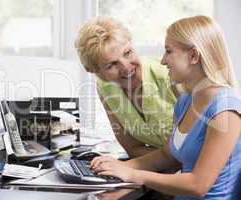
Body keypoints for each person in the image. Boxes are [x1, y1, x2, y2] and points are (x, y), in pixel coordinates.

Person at [90, 15, 241, 199]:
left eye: (168, 51)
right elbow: (167, 155)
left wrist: (133, 175)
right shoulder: (186, 101)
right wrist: (118, 166)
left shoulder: (225, 110)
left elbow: (198, 185)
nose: (162, 60)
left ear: (193, 56)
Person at [75, 17, 178, 158]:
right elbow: (133, 148)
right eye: (111, 65)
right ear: (93, 70)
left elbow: (197, 150)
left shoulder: (170, 75)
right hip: (162, 172)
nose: (126, 67)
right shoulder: (105, 87)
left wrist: (130, 169)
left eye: (127, 53)